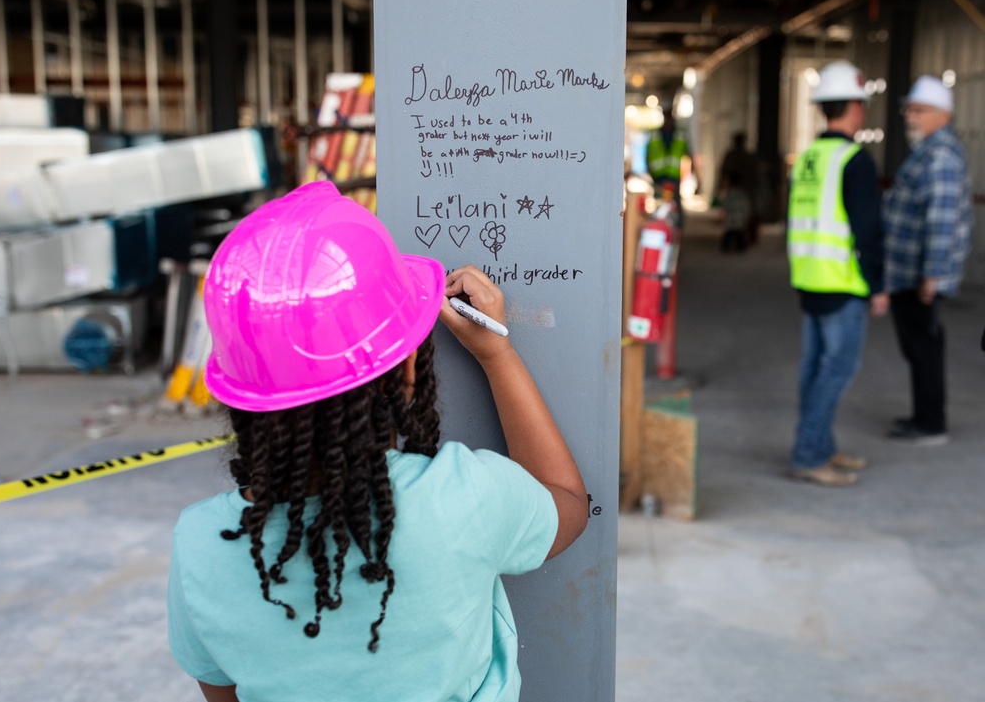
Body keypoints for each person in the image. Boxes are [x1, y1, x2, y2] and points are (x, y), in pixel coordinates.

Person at [167, 181, 589, 702]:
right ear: (408, 369)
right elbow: (567, 502)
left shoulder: (201, 546)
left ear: (245, 400)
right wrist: (496, 355)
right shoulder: (462, 498)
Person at [785, 61, 889, 486]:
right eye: (861, 104)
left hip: (809, 277)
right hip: (844, 282)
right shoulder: (854, 160)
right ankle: (809, 454)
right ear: (852, 108)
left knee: (814, 370)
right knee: (837, 370)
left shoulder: (809, 156)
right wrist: (877, 285)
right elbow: (868, 230)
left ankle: (821, 446)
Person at [882, 75, 973, 445]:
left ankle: (931, 424)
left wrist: (931, 275)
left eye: (918, 111)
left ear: (942, 115)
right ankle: (923, 415)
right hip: (908, 270)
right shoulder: (929, 151)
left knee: (924, 346)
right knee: (919, 346)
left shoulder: (939, 158)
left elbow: (941, 219)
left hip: (919, 273)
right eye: (909, 109)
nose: (910, 117)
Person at [646, 106, 699, 226]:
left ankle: (676, 229)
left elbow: (688, 153)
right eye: (667, 116)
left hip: (673, 176)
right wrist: (651, 173)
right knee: (659, 204)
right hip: (659, 176)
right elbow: (648, 155)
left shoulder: (680, 134)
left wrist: (693, 172)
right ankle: (660, 226)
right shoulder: (655, 134)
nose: (669, 120)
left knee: (675, 205)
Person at [718, 132, 761, 245]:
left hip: (743, 188)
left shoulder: (739, 156)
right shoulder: (739, 156)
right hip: (742, 188)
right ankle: (743, 237)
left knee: (746, 213)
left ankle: (747, 237)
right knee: (742, 212)